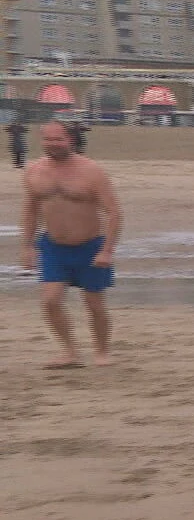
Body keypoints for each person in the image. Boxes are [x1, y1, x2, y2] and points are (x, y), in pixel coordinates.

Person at [20, 122, 121, 368]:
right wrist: (27, 245)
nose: (53, 144)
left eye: (59, 139)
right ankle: (70, 352)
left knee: (94, 304)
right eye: (48, 139)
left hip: (90, 246)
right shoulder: (34, 171)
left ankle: (102, 350)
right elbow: (31, 210)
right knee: (50, 301)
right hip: (54, 246)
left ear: (71, 140)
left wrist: (107, 250)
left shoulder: (91, 171)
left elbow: (114, 212)